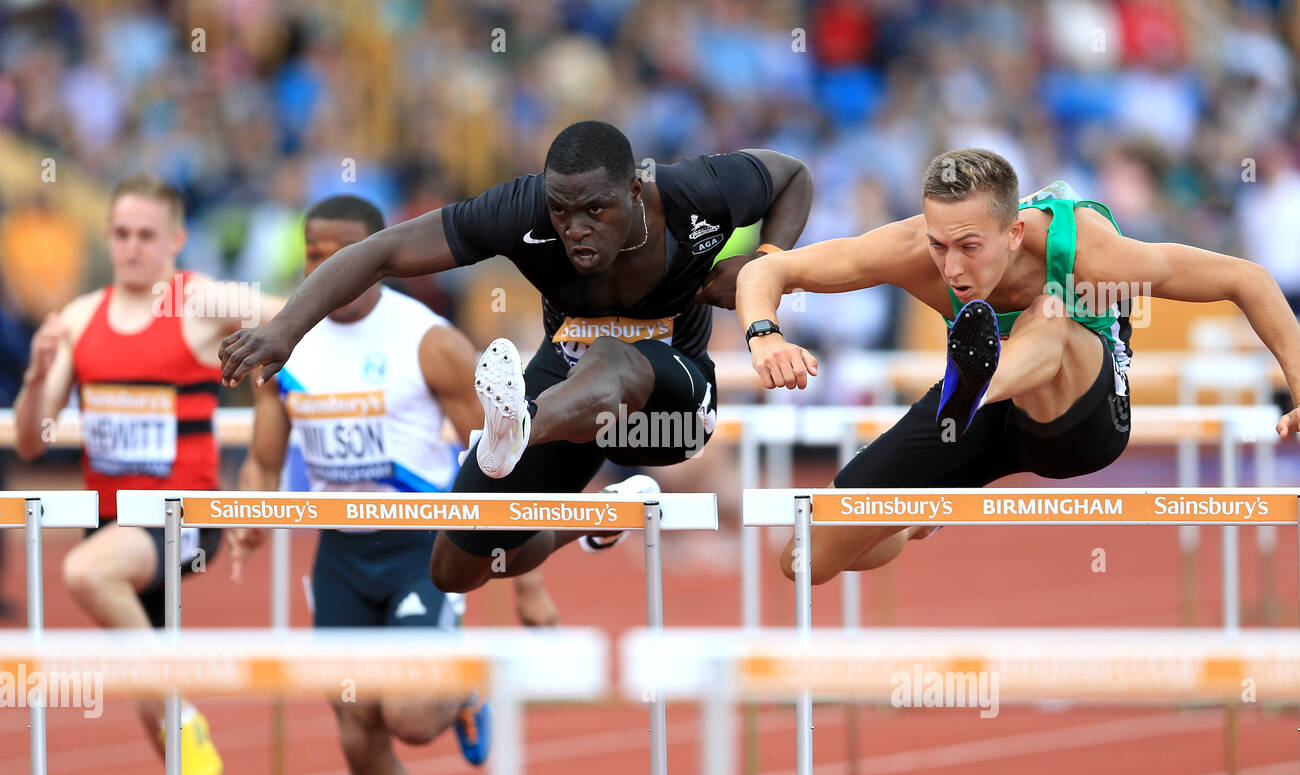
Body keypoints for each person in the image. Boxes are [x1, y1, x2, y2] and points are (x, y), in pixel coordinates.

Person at [217, 120, 812, 592]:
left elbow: (793, 177)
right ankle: (600, 512)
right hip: (570, 390)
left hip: (672, 411)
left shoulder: (695, 192)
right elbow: (383, 251)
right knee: (456, 567)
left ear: (635, 190)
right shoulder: (521, 209)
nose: (575, 229)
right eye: (561, 211)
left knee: (612, 353)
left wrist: (765, 262)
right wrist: (286, 330)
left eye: (595, 211)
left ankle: (520, 428)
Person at [734, 147, 1300, 585]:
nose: (951, 266)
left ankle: (977, 383)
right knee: (804, 558)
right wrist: (764, 334)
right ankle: (913, 513)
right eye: (938, 244)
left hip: (1079, 418)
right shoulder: (911, 248)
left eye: (969, 246)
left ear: (1015, 232)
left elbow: (1245, 278)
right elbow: (767, 272)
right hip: (977, 418)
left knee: (1049, 313)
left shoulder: (1087, 251)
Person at [229, 195, 557, 775]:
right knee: (357, 732)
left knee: (407, 716)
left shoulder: (428, 340)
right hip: (340, 556)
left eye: (341, 254)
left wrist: (527, 581)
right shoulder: (286, 342)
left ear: (375, 258)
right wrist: (249, 515)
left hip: (422, 550)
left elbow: (502, 459)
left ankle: (462, 688)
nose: (326, 265)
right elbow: (264, 459)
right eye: (314, 254)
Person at [12, 174, 281, 775]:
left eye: (146, 236)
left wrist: (283, 387)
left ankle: (184, 720)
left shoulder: (202, 301)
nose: (132, 248)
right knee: (145, 683)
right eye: (121, 235)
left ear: (176, 239)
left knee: (82, 572)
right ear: (108, 237)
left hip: (178, 519)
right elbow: (34, 440)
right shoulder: (77, 318)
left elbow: (296, 318)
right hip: (112, 522)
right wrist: (41, 376)